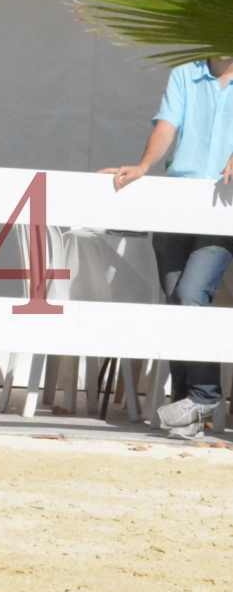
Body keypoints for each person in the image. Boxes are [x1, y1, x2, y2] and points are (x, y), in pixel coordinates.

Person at [103, 56, 233, 439]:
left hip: (223, 207)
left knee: (192, 294)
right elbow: (167, 126)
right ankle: (186, 405)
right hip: (175, 201)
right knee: (176, 299)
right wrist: (143, 166)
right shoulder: (185, 74)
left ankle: (205, 395)